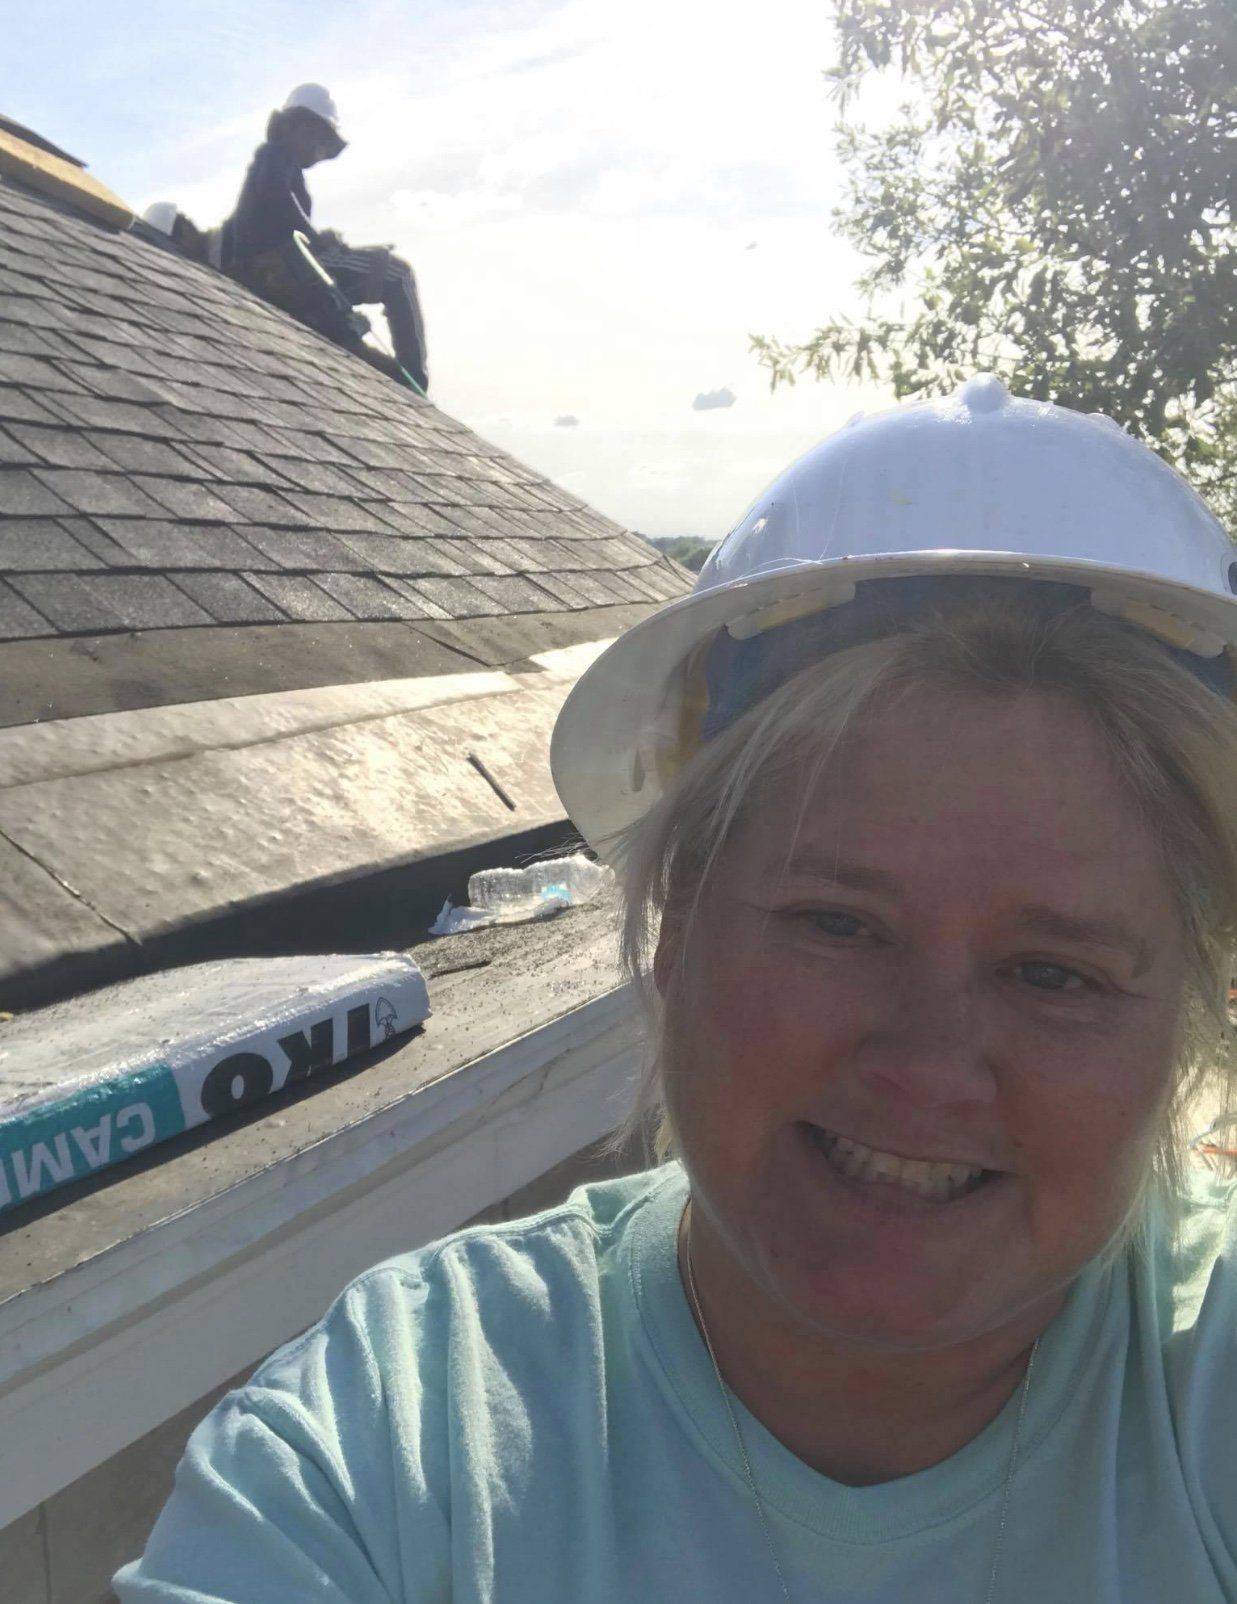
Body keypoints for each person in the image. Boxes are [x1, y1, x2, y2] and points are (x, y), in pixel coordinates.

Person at [115, 377, 1237, 1601]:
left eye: (1051, 971)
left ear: (1185, 1010)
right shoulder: (391, 1443)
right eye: (836, 922)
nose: (927, 1063)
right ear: (675, 924)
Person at [224, 83, 429, 393]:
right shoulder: (275, 155)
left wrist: (317, 238)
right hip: (282, 270)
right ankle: (416, 380)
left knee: (347, 321)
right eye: (317, 140)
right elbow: (274, 193)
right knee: (396, 273)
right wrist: (314, 238)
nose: (319, 152)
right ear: (294, 127)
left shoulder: (287, 167)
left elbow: (281, 211)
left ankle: (389, 369)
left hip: (288, 271)